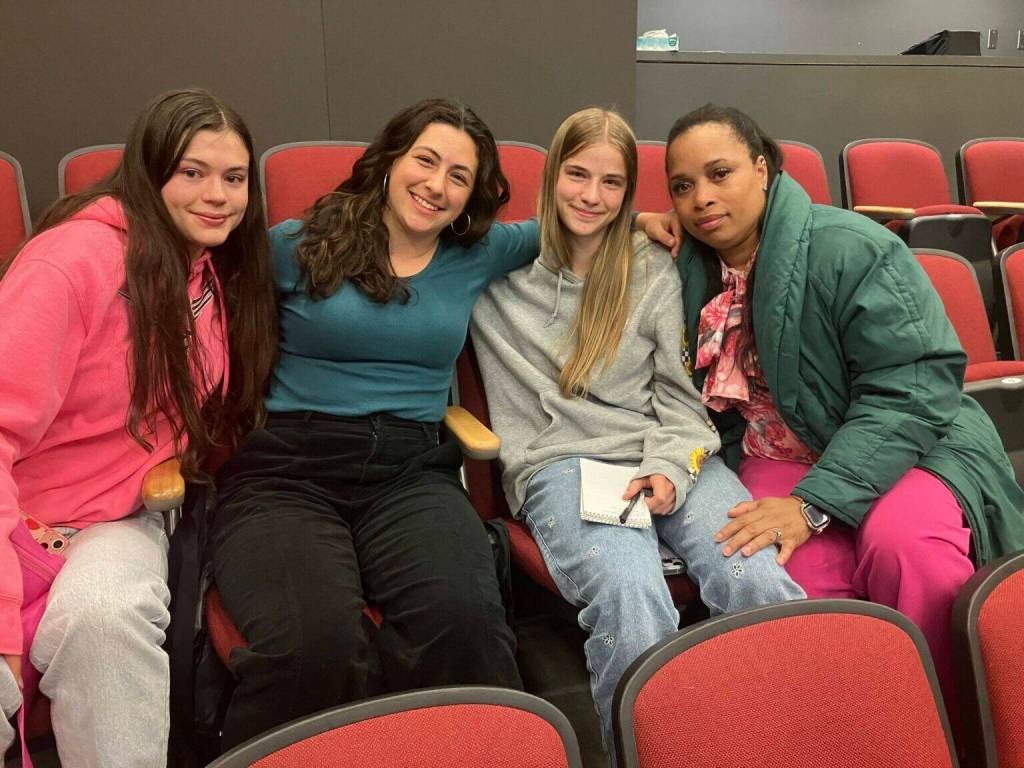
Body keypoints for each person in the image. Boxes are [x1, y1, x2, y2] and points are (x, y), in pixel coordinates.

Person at [207, 98, 545, 750]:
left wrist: (650, 221)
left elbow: (568, 224)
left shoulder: (476, 252)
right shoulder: (296, 246)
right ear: (390, 160)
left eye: (458, 175)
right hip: (288, 472)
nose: (436, 185)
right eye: (425, 160)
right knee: (313, 644)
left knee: (466, 621)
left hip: (410, 472)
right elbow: (193, 279)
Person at [469, 108, 805, 761]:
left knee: (754, 574)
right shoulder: (492, 269)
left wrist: (669, 471)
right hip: (563, 463)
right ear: (551, 174)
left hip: (667, 451)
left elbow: (681, 404)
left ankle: (786, 741)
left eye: (612, 183)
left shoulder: (649, 264)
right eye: (577, 175)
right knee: (631, 594)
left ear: (629, 193)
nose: (591, 196)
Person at [663, 103, 1024, 709]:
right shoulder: (686, 266)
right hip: (775, 449)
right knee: (787, 578)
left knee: (906, 551)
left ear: (762, 169)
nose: (701, 197)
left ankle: (948, 724)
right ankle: (848, 728)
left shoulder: (850, 247)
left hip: (910, 444)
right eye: (682, 186)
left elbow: (911, 388)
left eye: (719, 174)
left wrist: (812, 506)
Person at [0, 88, 276, 767]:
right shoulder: (71, 264)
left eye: (234, 178)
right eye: (192, 172)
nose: (217, 195)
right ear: (149, 173)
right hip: (15, 523)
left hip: (111, 524)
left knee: (106, 620)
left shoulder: (203, 270)